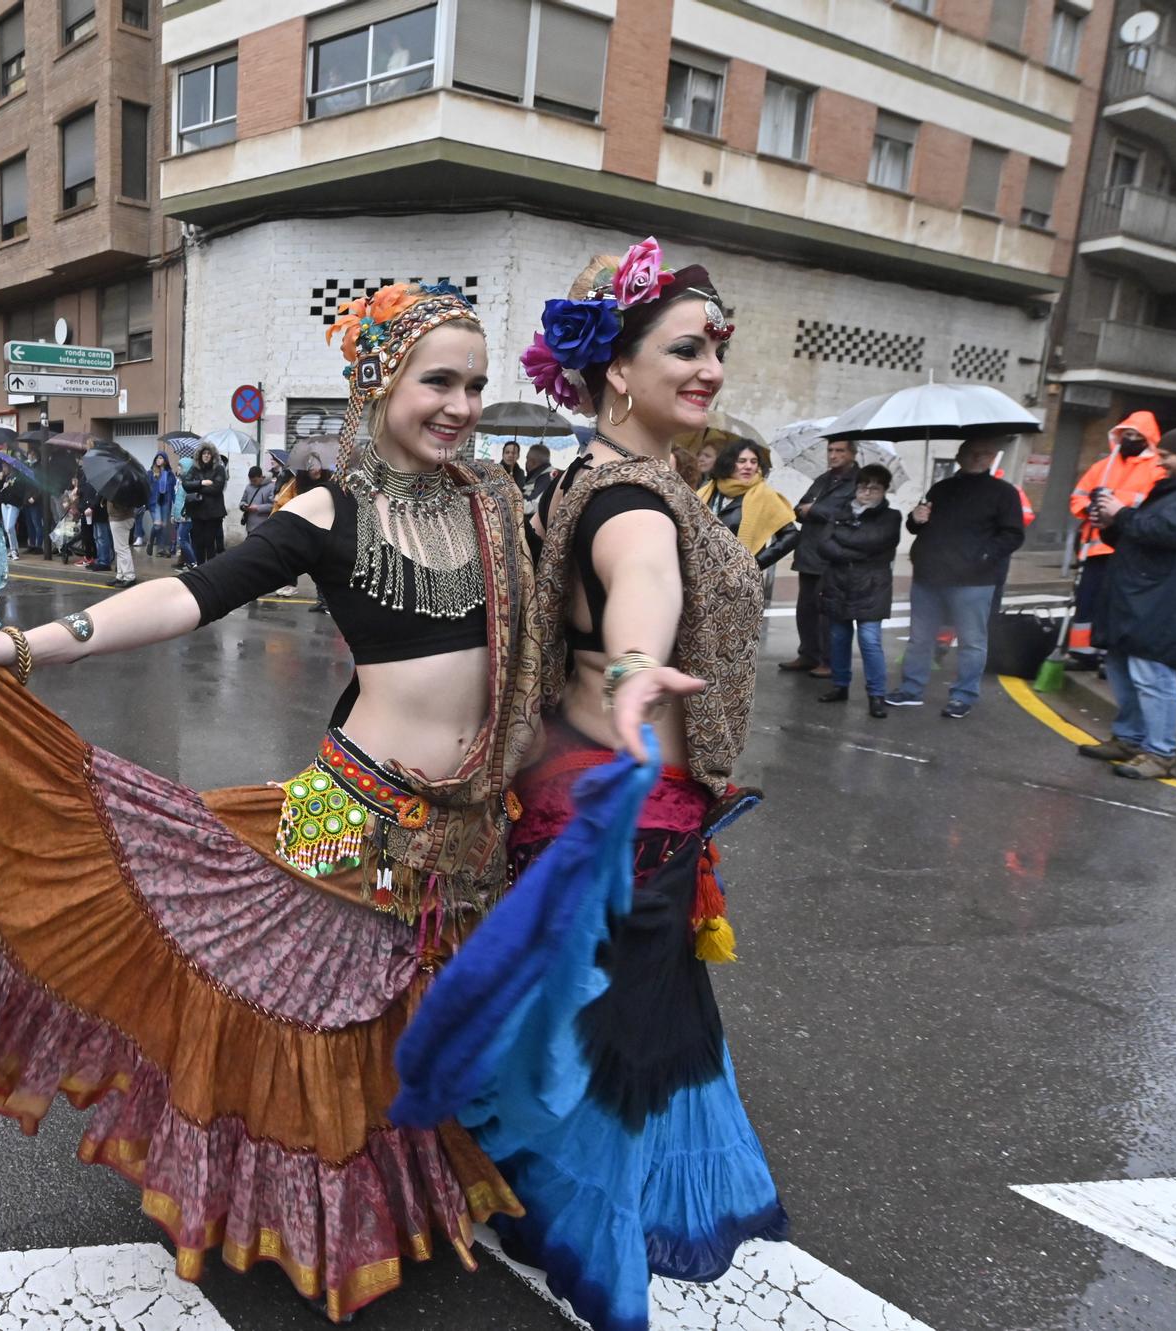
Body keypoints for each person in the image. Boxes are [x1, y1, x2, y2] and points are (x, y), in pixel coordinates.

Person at [0, 282, 542, 1321]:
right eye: (437, 381)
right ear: (374, 383)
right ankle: (309, 1221)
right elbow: (189, 594)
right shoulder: (327, 511)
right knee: (311, 1010)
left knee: (400, 1016)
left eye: (473, 383)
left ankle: (388, 1200)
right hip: (351, 802)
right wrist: (23, 645)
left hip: (464, 824)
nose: (459, 404)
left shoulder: (499, 509)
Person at [470, 236, 785, 1331]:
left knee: (596, 1048)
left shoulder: (597, 478)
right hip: (623, 830)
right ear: (616, 367)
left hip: (603, 814)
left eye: (715, 351)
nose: (706, 369)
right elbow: (640, 579)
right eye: (683, 348)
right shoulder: (632, 502)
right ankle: (603, 1285)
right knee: (617, 1071)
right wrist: (639, 660)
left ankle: (520, 1207)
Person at [1076, 424, 1176, 780]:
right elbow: (1142, 531)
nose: (1158, 459)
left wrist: (1122, 513)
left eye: (1165, 454)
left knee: (1152, 674)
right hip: (1140, 593)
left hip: (1166, 598)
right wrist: (1110, 522)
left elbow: (1170, 531)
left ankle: (1160, 752)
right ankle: (1129, 739)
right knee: (1121, 666)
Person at [887, 437, 1028, 718]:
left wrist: (983, 557)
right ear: (960, 457)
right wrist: (916, 518)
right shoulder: (941, 488)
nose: (977, 457)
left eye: (983, 452)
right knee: (920, 638)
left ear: (991, 458)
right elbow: (916, 527)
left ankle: (963, 695)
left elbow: (1013, 535)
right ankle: (911, 690)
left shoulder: (1004, 493)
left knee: (971, 641)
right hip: (930, 576)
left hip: (974, 581)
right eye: (971, 452)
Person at [1066, 411, 1164, 671]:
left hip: (1128, 546)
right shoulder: (1103, 466)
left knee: (1117, 604)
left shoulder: (1156, 469)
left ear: (1148, 439)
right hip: (1096, 546)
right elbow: (1078, 496)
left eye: (1136, 436)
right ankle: (1082, 652)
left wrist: (1113, 501)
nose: (1130, 439)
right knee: (1087, 599)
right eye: (1126, 434)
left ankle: (1107, 656)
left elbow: (1153, 505)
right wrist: (1090, 508)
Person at [811, 464, 900, 717]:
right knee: (838, 638)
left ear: (884, 490)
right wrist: (854, 552)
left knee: (870, 640)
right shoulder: (840, 511)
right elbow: (823, 545)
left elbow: (875, 541)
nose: (867, 492)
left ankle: (876, 694)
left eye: (875, 488)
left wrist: (845, 541)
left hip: (872, 586)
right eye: (863, 486)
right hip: (839, 582)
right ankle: (840, 686)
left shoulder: (891, 516)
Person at [782, 437, 859, 674]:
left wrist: (815, 510)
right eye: (830, 450)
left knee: (829, 611)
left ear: (852, 453)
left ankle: (829, 660)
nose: (833, 455)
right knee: (806, 608)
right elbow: (799, 509)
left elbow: (851, 513)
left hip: (834, 553)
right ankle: (808, 654)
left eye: (839, 450)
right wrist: (806, 510)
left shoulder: (858, 482)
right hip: (809, 552)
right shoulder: (823, 480)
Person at [697, 440, 799, 568]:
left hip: (739, 578)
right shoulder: (709, 491)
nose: (749, 466)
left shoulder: (764, 495)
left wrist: (755, 564)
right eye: (742, 461)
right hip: (703, 572)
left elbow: (791, 535)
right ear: (728, 463)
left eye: (753, 461)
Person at [182, 441, 228, 563]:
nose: (206, 455)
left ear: (213, 456)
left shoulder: (219, 468)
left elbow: (217, 488)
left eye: (209, 453)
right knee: (198, 543)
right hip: (197, 511)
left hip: (213, 512)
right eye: (204, 453)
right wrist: (202, 483)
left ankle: (210, 570)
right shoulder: (194, 468)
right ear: (200, 455)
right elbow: (185, 484)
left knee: (209, 542)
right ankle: (200, 569)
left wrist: (196, 487)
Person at [147, 451, 177, 555]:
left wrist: (175, 503)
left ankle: (161, 549)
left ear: (165, 460)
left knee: (164, 526)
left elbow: (173, 490)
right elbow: (146, 489)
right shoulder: (150, 473)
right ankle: (150, 541)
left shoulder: (170, 474)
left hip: (165, 502)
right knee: (157, 525)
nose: (159, 460)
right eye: (157, 458)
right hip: (154, 503)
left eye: (161, 458)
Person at [522, 442, 557, 516]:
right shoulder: (539, 475)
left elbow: (534, 505)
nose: (526, 462)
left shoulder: (548, 477)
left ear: (532, 462)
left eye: (527, 459)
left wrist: (511, 504)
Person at [237, 464, 273, 536]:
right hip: (250, 525)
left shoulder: (271, 486)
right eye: (251, 481)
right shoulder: (249, 486)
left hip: (264, 525)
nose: (253, 483)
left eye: (255, 481)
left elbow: (273, 505)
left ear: (261, 477)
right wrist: (243, 506)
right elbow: (242, 501)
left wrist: (258, 508)